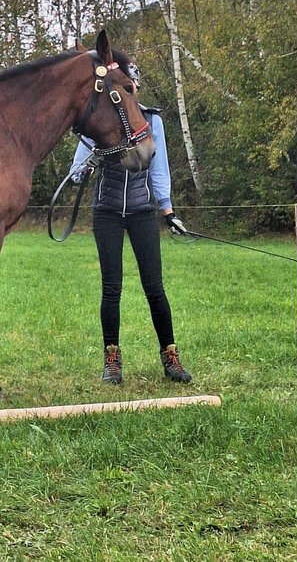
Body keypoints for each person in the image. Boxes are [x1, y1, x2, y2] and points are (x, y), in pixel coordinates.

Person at [69, 60, 192, 384]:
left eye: (132, 88)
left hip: (141, 211)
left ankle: (170, 357)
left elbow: (159, 167)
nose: (130, 93)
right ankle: (112, 359)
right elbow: (77, 172)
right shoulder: (99, 121)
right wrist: (92, 159)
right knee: (111, 290)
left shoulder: (151, 120)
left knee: (155, 287)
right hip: (106, 211)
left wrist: (167, 211)